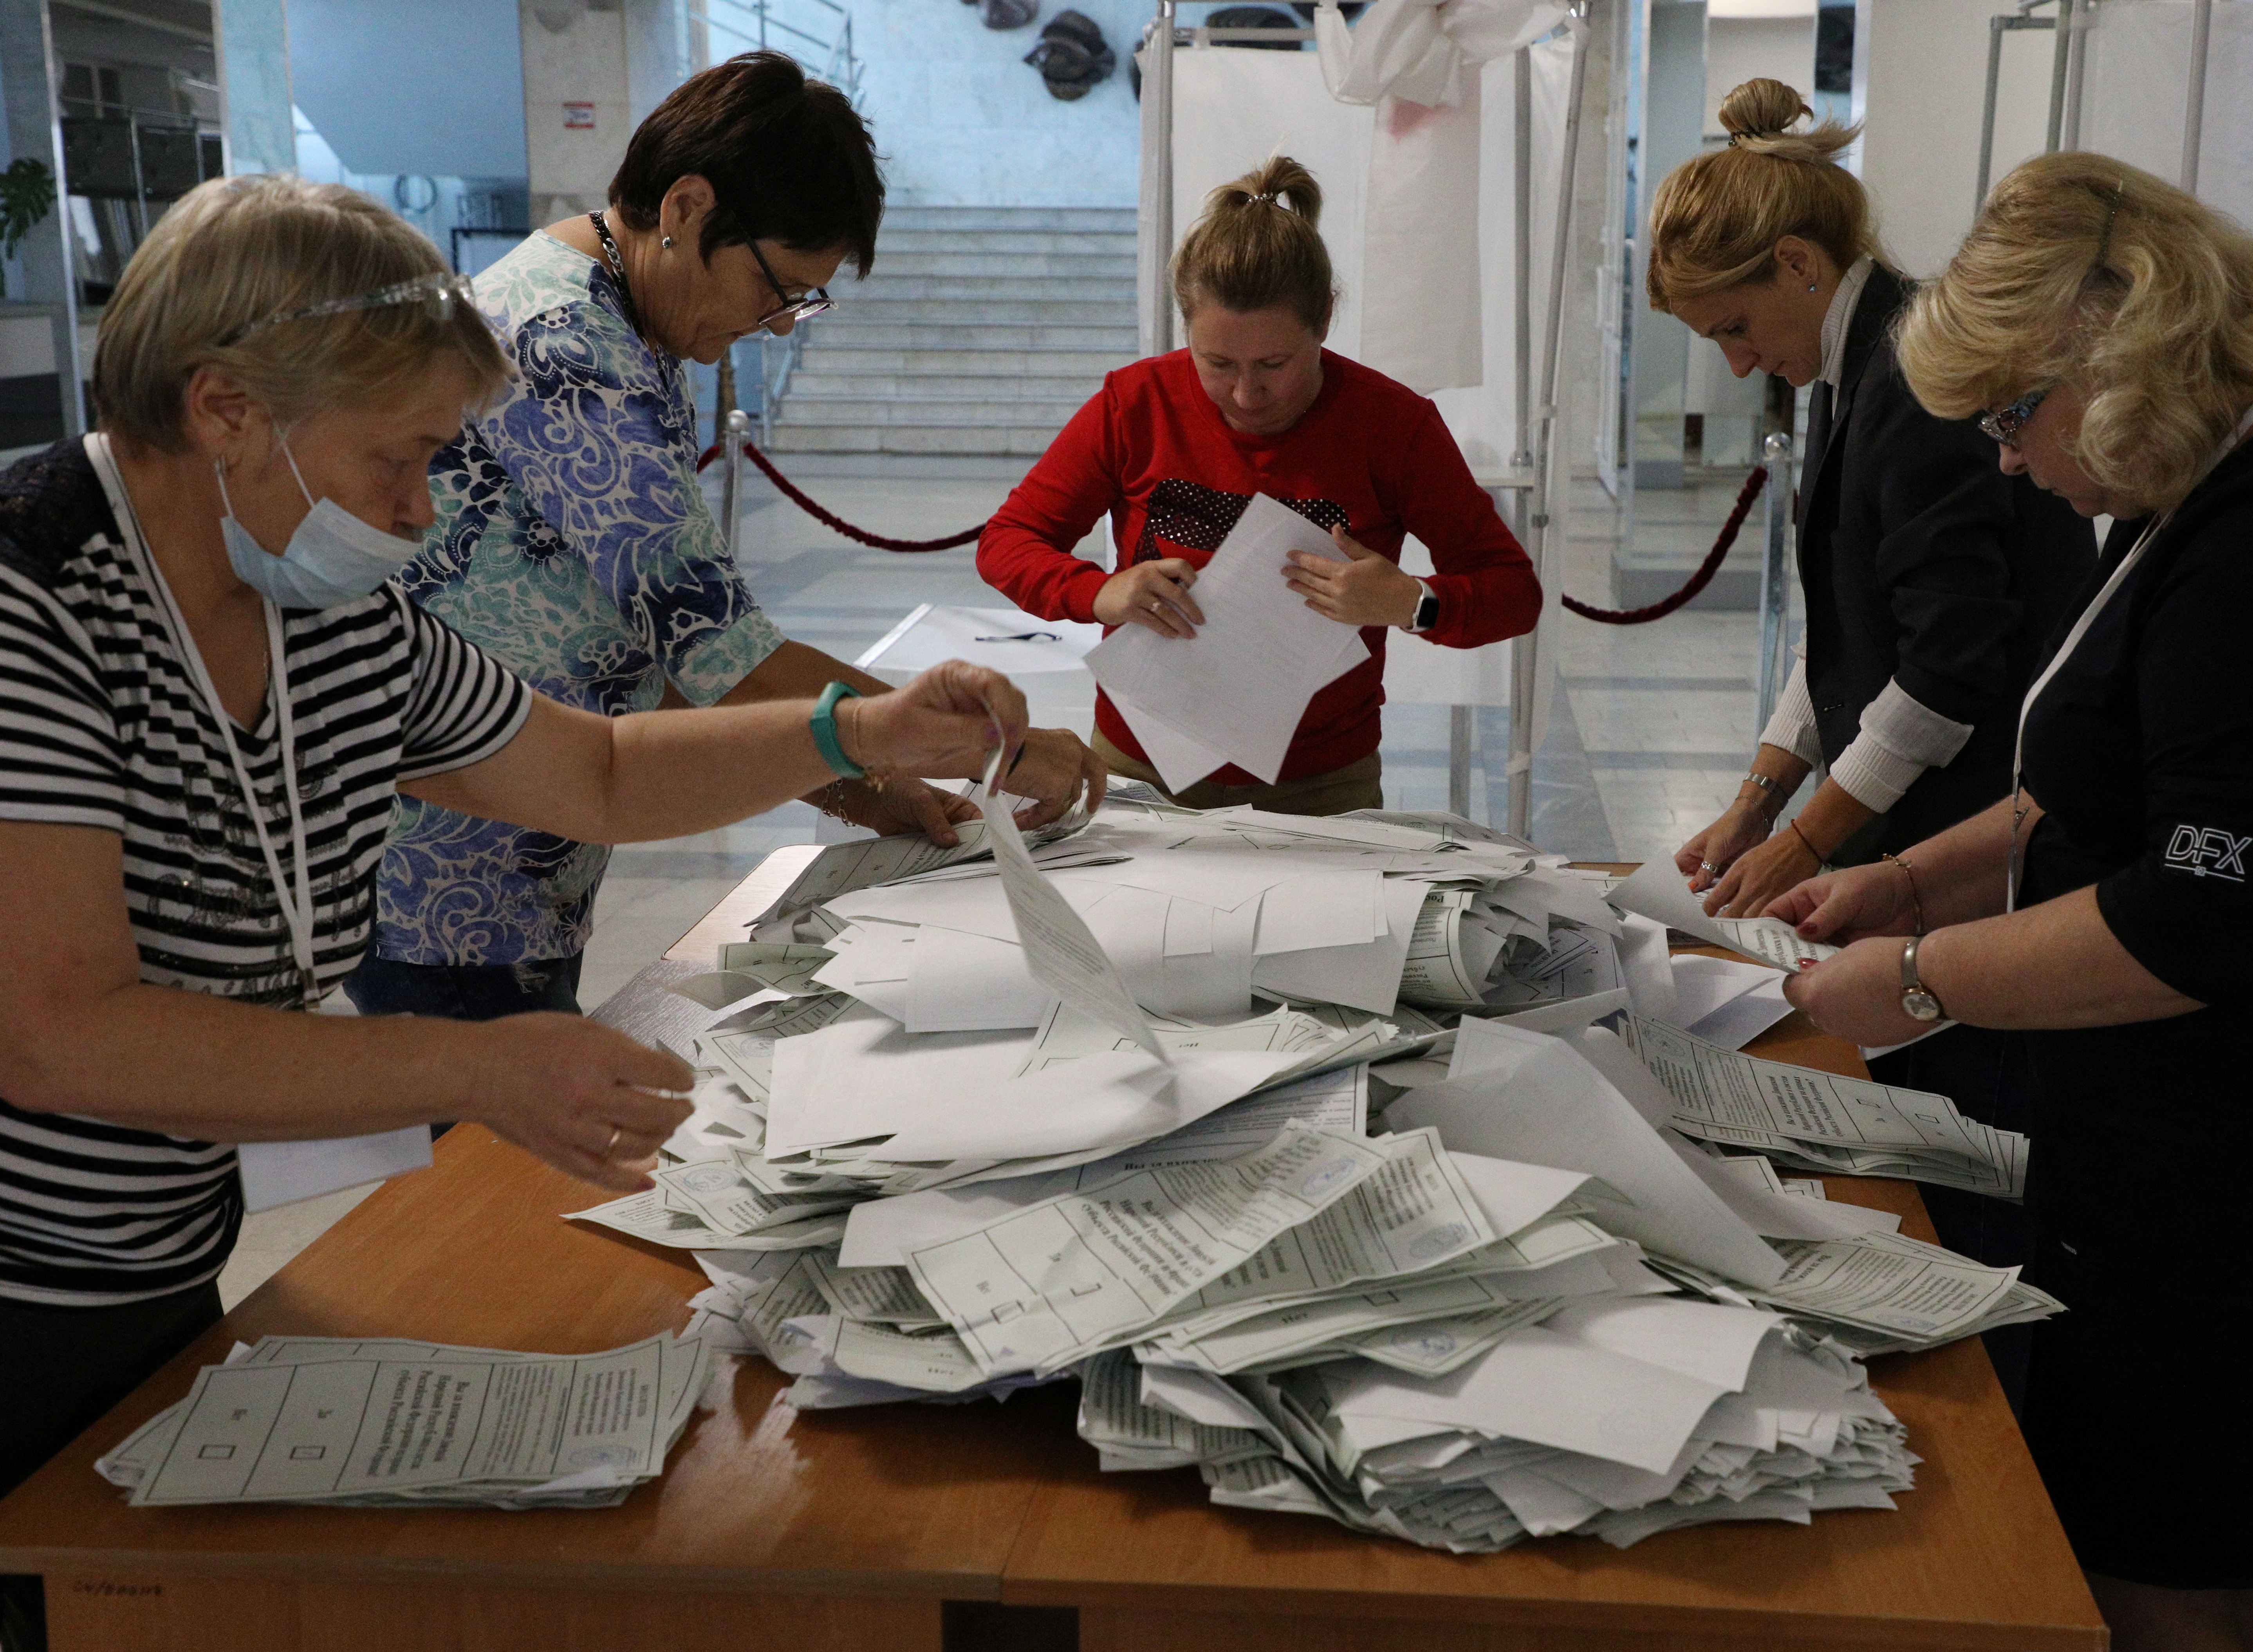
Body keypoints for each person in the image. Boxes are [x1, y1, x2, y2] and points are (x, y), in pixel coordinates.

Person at [0, 173, 1037, 1576]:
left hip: (158, 1251)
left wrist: (850, 730)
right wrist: (472, 1069)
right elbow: (61, 1035)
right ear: (227, 408)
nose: (420, 513)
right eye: (396, 459)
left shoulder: (323, 607)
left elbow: (594, 772)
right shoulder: (36, 599)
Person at [1777, 151, 2253, 1651]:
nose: (2003, 465)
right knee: (2216, 1547)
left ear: (2109, 357)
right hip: (2217, 1145)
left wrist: (1912, 977)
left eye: (2007, 419)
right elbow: (2099, 783)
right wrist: (1911, 872)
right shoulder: (2215, 481)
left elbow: (2193, 913)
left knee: (2156, 1558)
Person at [354, 50, 1102, 1023]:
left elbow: (643, 638)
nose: (783, 326)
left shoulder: (627, 316)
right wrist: (994, 746)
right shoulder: (567, 347)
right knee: (496, 1165)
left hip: (523, 850)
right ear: (686, 209)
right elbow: (726, 654)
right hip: (453, 878)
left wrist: (859, 787)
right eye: (780, 286)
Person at [1645, 79, 2094, 1318]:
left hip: (1977, 834)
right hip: (1930, 820)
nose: (1738, 362)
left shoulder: (1917, 377)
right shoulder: (1861, 368)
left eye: (1735, 327)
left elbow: (1943, 672)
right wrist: (1756, 797)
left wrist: (1802, 842)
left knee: (1963, 1161)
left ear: (1797, 263)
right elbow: (1849, 631)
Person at [976, 155, 1541, 816]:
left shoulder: (1391, 424)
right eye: (1216, 363)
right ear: (1185, 327)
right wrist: (1098, 591)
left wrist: (1414, 602)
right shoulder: (1136, 403)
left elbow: (1512, 593)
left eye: (1275, 363)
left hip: (1322, 781)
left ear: (1324, 321)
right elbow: (1008, 542)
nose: (1245, 394)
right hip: (1142, 764)